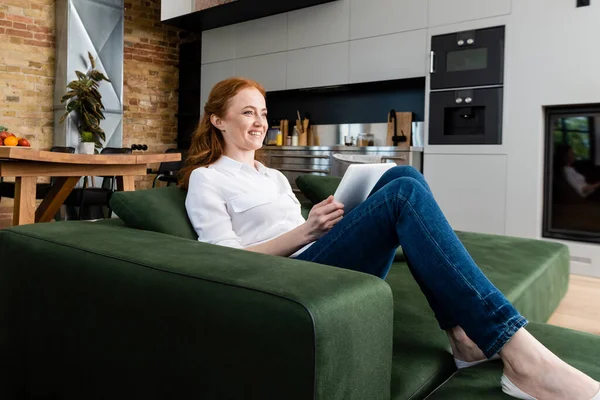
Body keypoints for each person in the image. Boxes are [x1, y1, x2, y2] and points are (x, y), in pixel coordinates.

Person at [180, 77, 600, 400]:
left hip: (315, 255)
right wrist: (306, 230)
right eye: (248, 112)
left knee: (404, 175)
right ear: (218, 120)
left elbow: (293, 226)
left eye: (264, 112)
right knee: (404, 193)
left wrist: (327, 216)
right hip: (285, 278)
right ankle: (521, 356)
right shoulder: (207, 178)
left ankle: (462, 337)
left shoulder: (271, 175)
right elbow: (226, 261)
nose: (260, 122)